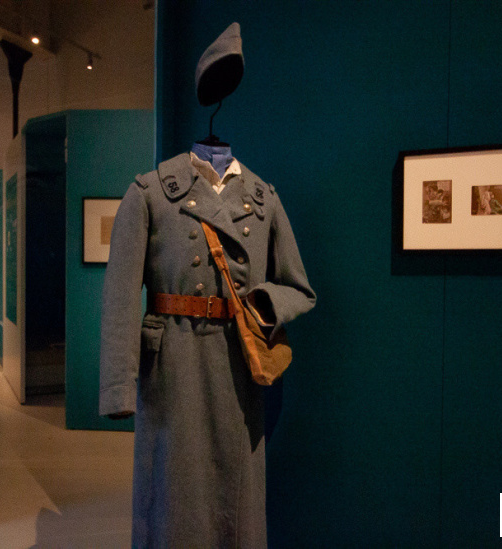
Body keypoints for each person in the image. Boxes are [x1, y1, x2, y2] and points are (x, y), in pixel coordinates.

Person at [99, 23, 316, 548]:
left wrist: (261, 304)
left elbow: (299, 288)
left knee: (235, 498)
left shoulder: (263, 198)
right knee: (172, 497)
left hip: (237, 370)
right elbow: (121, 298)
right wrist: (117, 388)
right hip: (172, 367)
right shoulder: (151, 193)